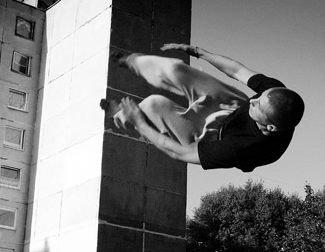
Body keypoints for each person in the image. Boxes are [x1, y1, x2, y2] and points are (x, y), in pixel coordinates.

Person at [108, 43, 304, 172]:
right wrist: (199, 52)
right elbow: (237, 71)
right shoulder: (275, 94)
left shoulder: (245, 148)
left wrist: (140, 124)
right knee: (176, 70)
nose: (253, 100)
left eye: (258, 106)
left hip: (213, 136)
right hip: (232, 106)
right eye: (258, 97)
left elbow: (180, 153)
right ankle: (132, 61)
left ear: (270, 127)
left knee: (154, 105)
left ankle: (122, 116)